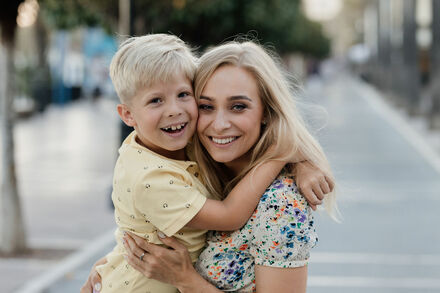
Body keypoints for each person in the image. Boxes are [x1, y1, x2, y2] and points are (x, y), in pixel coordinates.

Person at [89, 34, 329, 293]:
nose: (220, 124)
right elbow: (146, 227)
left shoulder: (280, 204)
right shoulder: (192, 159)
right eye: (206, 106)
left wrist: (186, 280)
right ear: (128, 114)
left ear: (266, 113)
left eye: (238, 106)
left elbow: (229, 214)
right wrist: (112, 266)